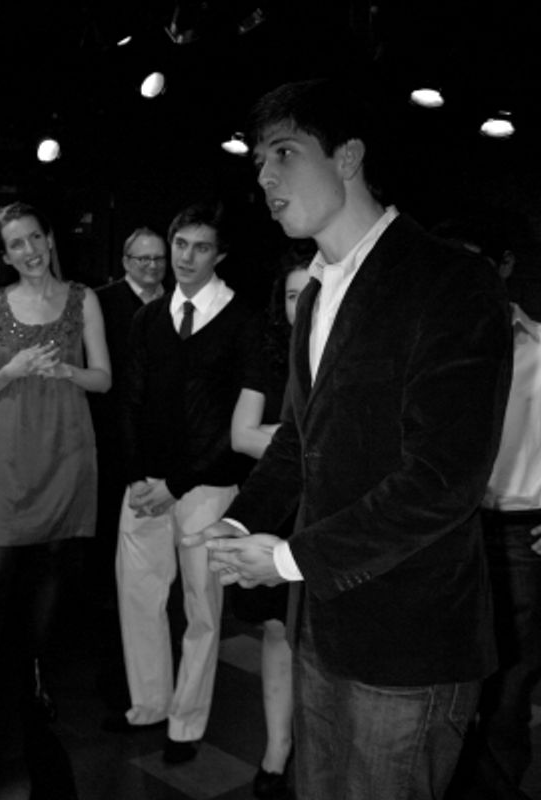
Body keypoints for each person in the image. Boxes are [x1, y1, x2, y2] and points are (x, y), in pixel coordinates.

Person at [187, 77, 512, 799]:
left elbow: (443, 481)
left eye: (284, 152)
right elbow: (297, 444)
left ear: (348, 156)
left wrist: (289, 557)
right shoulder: (315, 294)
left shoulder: (450, 281)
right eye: (258, 163)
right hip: (323, 628)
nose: (265, 178)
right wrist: (238, 523)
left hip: (411, 643)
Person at [114, 200, 263, 763]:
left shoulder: (243, 320)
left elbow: (235, 428)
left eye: (201, 247)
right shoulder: (148, 318)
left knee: (202, 607)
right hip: (144, 485)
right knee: (138, 595)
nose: (186, 256)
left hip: (207, 486)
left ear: (219, 255)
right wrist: (136, 476)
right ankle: (149, 704)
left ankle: (186, 721)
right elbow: (129, 400)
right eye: (180, 244)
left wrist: (176, 483)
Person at [0, 201, 111, 733]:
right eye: (15, 244)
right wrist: (15, 368)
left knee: (52, 569)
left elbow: (103, 378)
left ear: (49, 239)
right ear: (4, 255)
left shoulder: (83, 299)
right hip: (7, 449)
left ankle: (35, 677)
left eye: (34, 238)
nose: (28, 250)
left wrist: (67, 370)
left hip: (67, 445)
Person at [433, 218, 541, 800]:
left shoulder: (540, 348)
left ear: (504, 266)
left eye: (475, 261)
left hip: (519, 532)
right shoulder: (432, 343)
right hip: (443, 528)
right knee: (440, 677)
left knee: (510, 684)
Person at [228, 245, 313, 797]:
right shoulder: (269, 356)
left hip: (329, 515)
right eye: (291, 295)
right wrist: (308, 449)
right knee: (278, 629)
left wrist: (286, 443)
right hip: (275, 508)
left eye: (310, 293)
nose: (299, 305)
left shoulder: (349, 351)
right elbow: (240, 436)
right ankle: (276, 749)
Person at [89, 227, 167, 592]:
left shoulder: (180, 301)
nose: (152, 265)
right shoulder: (101, 302)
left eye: (159, 258)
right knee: (108, 521)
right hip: (110, 430)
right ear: (125, 261)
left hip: (161, 434)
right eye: (143, 258)